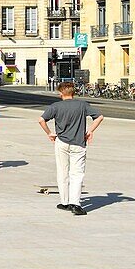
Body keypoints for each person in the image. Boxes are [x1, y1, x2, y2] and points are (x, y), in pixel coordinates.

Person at [38, 82, 104, 215]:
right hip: (78, 143)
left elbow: (41, 120)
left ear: (61, 93)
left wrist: (49, 133)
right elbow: (99, 117)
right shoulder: (82, 105)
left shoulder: (55, 106)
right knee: (77, 174)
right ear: (73, 92)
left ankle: (65, 202)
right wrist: (90, 131)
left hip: (61, 142)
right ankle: (75, 203)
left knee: (62, 172)